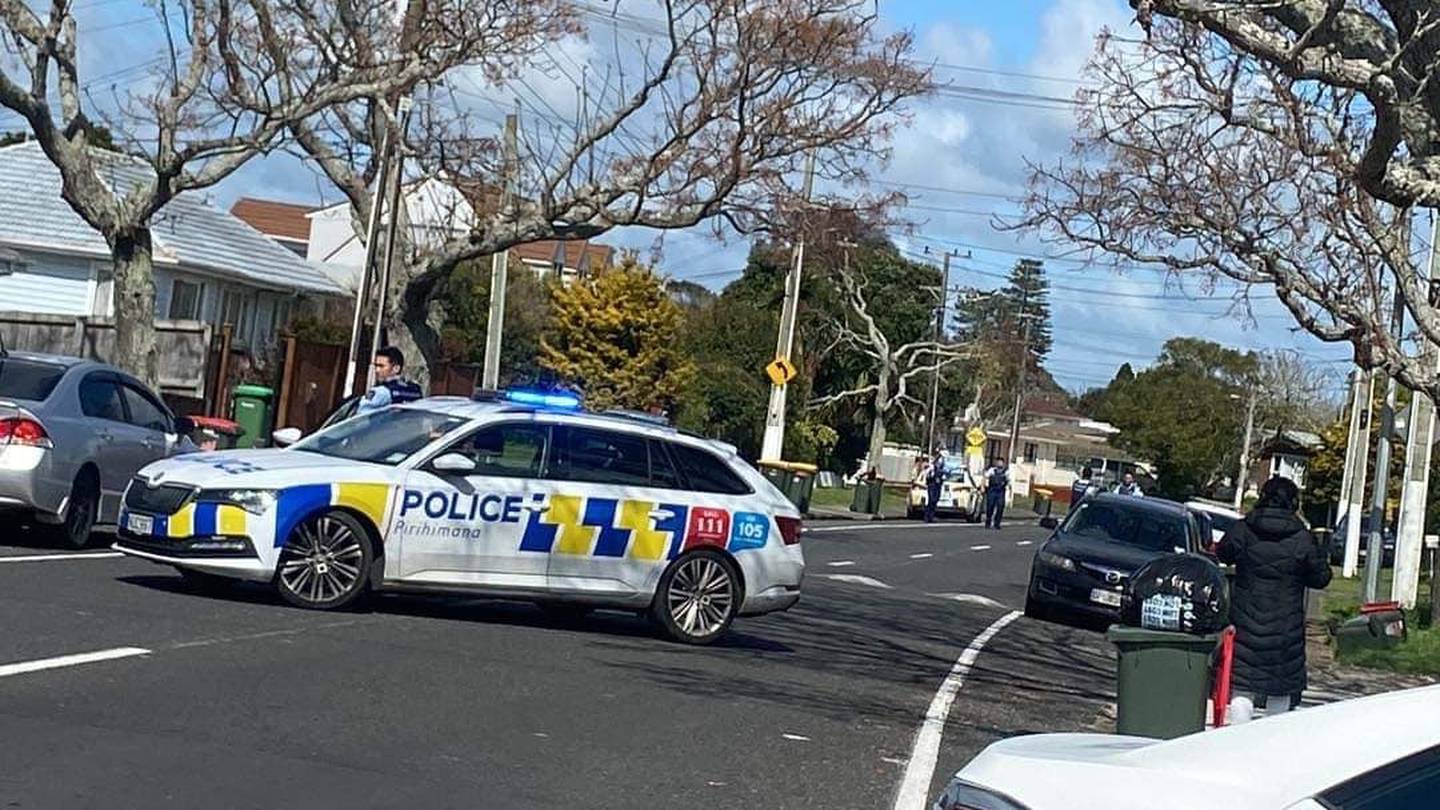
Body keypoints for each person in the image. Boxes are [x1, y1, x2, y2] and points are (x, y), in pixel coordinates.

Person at [1217, 476, 1332, 716]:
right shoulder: (1302, 538)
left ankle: (1238, 737)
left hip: (1244, 620)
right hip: (1285, 627)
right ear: (1294, 503)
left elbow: (1223, 553)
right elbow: (1321, 578)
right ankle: (1272, 744)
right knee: (1280, 688)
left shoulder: (1243, 529)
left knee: (1243, 685)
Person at [356, 346, 423, 415]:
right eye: (376, 366)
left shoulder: (381, 392)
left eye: (381, 366)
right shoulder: (415, 390)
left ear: (396, 368)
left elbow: (361, 418)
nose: (377, 370)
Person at [982, 458, 1009, 529]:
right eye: (998, 462)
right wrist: (983, 486)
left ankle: (997, 523)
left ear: (1003, 463)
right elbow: (985, 477)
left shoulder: (1006, 472)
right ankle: (988, 522)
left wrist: (1008, 490)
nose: (1000, 464)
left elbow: (1009, 482)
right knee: (990, 506)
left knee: (1000, 507)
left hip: (1001, 491)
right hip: (992, 490)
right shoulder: (992, 470)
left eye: (1001, 462)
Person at [923, 450, 945, 523]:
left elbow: (942, 474)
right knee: (931, 499)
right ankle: (927, 516)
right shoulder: (931, 465)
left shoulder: (941, 465)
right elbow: (927, 473)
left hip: (938, 484)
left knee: (935, 499)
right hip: (932, 483)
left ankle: (931, 516)